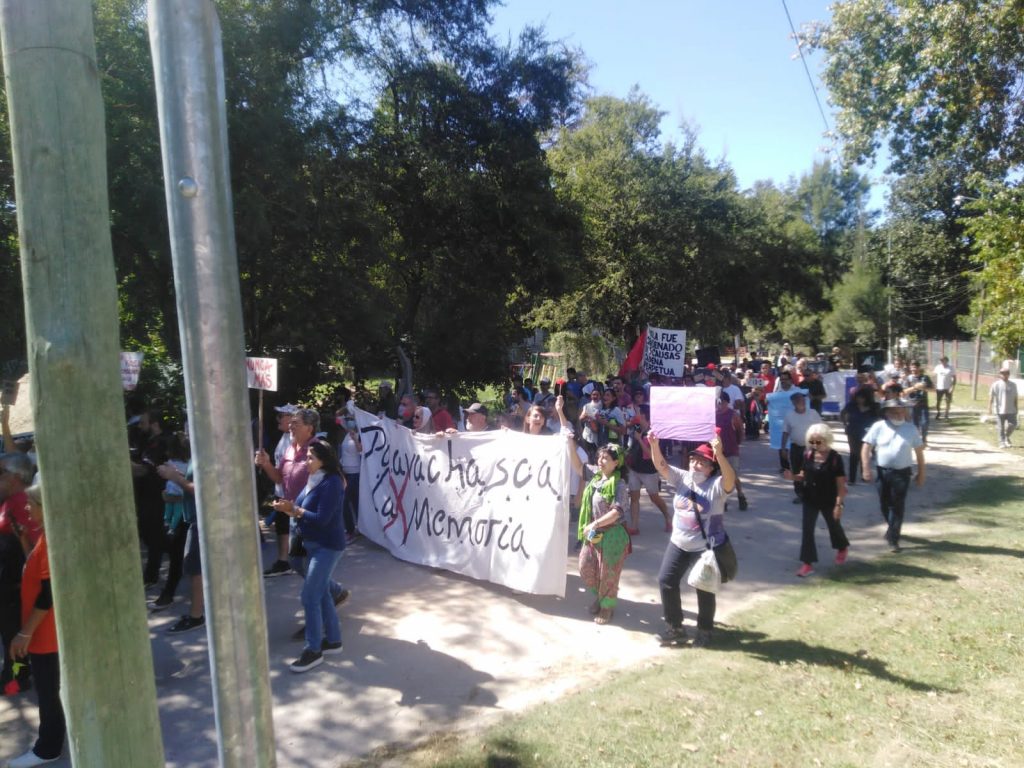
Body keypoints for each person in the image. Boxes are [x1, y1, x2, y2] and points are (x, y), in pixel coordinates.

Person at [649, 434, 736, 648]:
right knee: (666, 581)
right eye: (693, 460)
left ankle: (705, 631)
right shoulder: (682, 478)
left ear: (710, 468)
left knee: (704, 588)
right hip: (678, 543)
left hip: (704, 548)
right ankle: (675, 627)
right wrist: (654, 445)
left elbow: (730, 480)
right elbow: (661, 466)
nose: (695, 465)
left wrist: (720, 454)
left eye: (702, 462)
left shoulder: (716, 486)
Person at [270, 438, 346, 672]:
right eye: (306, 457)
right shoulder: (314, 478)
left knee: (309, 597)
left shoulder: (332, 482)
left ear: (324, 460)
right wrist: (286, 507)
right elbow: (302, 506)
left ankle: (313, 650)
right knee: (321, 593)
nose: (306, 461)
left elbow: (321, 519)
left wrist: (294, 510)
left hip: (327, 547)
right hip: (312, 545)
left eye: (311, 457)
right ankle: (333, 641)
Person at [8, 483, 66, 767]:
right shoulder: (45, 537)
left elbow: (48, 592)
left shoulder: (53, 539)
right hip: (44, 632)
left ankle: (48, 748)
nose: (27, 507)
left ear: (46, 506)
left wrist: (24, 632)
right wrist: (24, 542)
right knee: (50, 689)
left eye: (31, 503)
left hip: (46, 634)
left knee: (48, 691)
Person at [568, 441, 630, 625]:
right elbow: (578, 466)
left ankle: (607, 607)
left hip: (613, 535)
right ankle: (601, 596)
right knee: (586, 566)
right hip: (593, 532)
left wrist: (594, 524)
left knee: (608, 573)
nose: (601, 460)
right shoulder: (596, 476)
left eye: (606, 458)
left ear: (616, 462)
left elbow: (617, 512)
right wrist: (570, 444)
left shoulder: (619, 484)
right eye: (600, 457)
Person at [785, 423, 850, 577]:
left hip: (829, 499)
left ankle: (842, 547)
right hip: (810, 498)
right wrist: (792, 477)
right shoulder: (808, 455)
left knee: (834, 526)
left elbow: (841, 485)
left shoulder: (835, 458)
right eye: (812, 442)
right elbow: (803, 475)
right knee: (807, 530)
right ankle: (807, 564)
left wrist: (839, 504)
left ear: (826, 440)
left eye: (818, 442)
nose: (814, 445)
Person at [861, 398, 926, 552]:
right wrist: (865, 468)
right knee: (884, 504)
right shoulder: (878, 427)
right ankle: (892, 528)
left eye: (900, 411)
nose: (898, 414)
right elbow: (866, 447)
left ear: (905, 412)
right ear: (886, 413)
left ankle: (893, 538)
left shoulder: (911, 429)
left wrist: (921, 473)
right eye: (894, 411)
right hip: (883, 472)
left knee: (897, 505)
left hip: (902, 473)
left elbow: (919, 453)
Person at [623, 404, 672, 534]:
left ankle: (668, 517)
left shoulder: (653, 431)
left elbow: (652, 455)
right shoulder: (638, 427)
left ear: (643, 414)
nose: (636, 414)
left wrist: (639, 440)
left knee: (654, 498)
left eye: (638, 412)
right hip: (635, 468)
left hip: (649, 471)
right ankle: (634, 526)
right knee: (634, 497)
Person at [780, 391, 822, 503]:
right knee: (796, 471)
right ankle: (800, 494)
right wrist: (783, 448)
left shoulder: (813, 413)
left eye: (803, 400)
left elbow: (820, 430)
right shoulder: (789, 415)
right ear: (793, 403)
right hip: (795, 447)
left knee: (810, 471)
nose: (801, 402)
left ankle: (811, 493)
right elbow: (785, 432)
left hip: (811, 446)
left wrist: (817, 447)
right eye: (798, 400)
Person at [840, 384, 879, 484]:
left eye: (862, 398)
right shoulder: (851, 405)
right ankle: (852, 478)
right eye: (858, 397)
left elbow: (879, 419)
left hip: (867, 433)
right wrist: (845, 424)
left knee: (864, 453)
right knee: (854, 454)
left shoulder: (874, 407)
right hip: (852, 432)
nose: (859, 400)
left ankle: (864, 474)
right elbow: (842, 414)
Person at [716, 392, 749, 510]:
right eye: (718, 402)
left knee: (733, 475)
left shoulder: (733, 415)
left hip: (732, 450)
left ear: (726, 402)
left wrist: (737, 444)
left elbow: (740, 431)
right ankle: (723, 500)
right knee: (721, 476)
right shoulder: (713, 415)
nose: (719, 405)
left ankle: (740, 495)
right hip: (719, 451)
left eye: (722, 402)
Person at [337, 412, 362, 542]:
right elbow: (338, 415)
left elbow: (361, 450)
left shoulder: (361, 434)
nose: (349, 421)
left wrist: (355, 439)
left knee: (352, 502)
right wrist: (348, 408)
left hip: (355, 474)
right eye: (348, 419)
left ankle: (354, 530)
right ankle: (353, 529)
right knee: (347, 502)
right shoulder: (346, 433)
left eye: (352, 419)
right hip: (345, 473)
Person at [903, 360, 933, 447]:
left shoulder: (925, 378)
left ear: (919, 368)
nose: (913, 370)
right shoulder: (908, 379)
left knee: (925, 423)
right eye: (912, 368)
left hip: (923, 404)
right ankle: (916, 442)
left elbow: (933, 390)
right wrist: (915, 387)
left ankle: (924, 439)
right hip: (912, 404)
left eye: (915, 368)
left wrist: (924, 388)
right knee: (914, 425)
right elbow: (903, 392)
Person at [988, 364, 1018, 448]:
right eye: (1002, 373)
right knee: (1000, 427)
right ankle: (1001, 442)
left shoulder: (1013, 385)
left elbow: (1015, 397)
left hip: (1011, 409)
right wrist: (989, 408)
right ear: (1000, 374)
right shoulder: (996, 384)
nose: (1004, 375)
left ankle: (1006, 437)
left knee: (1013, 424)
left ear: (1008, 374)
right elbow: (991, 396)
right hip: (999, 410)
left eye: (1006, 373)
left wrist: (1016, 408)